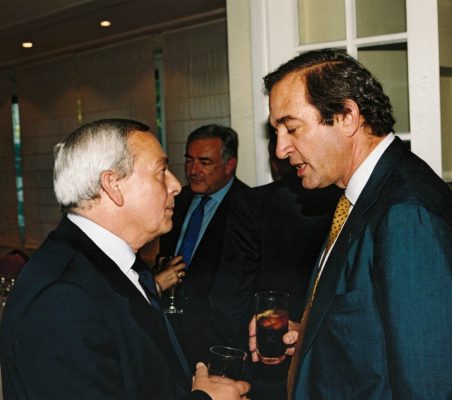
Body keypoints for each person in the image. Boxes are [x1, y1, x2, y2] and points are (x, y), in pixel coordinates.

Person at [249, 49, 452, 399]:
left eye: (291, 128)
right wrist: (309, 337)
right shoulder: (362, 195)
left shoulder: (406, 213)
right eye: (277, 131)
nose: (280, 149)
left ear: (347, 117)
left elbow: (427, 385)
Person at [0, 119, 250, 400]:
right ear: (113, 185)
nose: (176, 185)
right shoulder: (61, 299)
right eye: (161, 171)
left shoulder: (116, 265)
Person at [209, 165, 342, 400]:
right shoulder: (352, 202)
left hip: (263, 372)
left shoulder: (253, 202)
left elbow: (227, 303)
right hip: (335, 372)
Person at [158, 124, 249, 368]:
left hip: (216, 343)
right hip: (170, 333)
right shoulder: (176, 200)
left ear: (229, 165)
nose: (193, 170)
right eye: (189, 160)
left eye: (204, 162)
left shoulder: (249, 207)